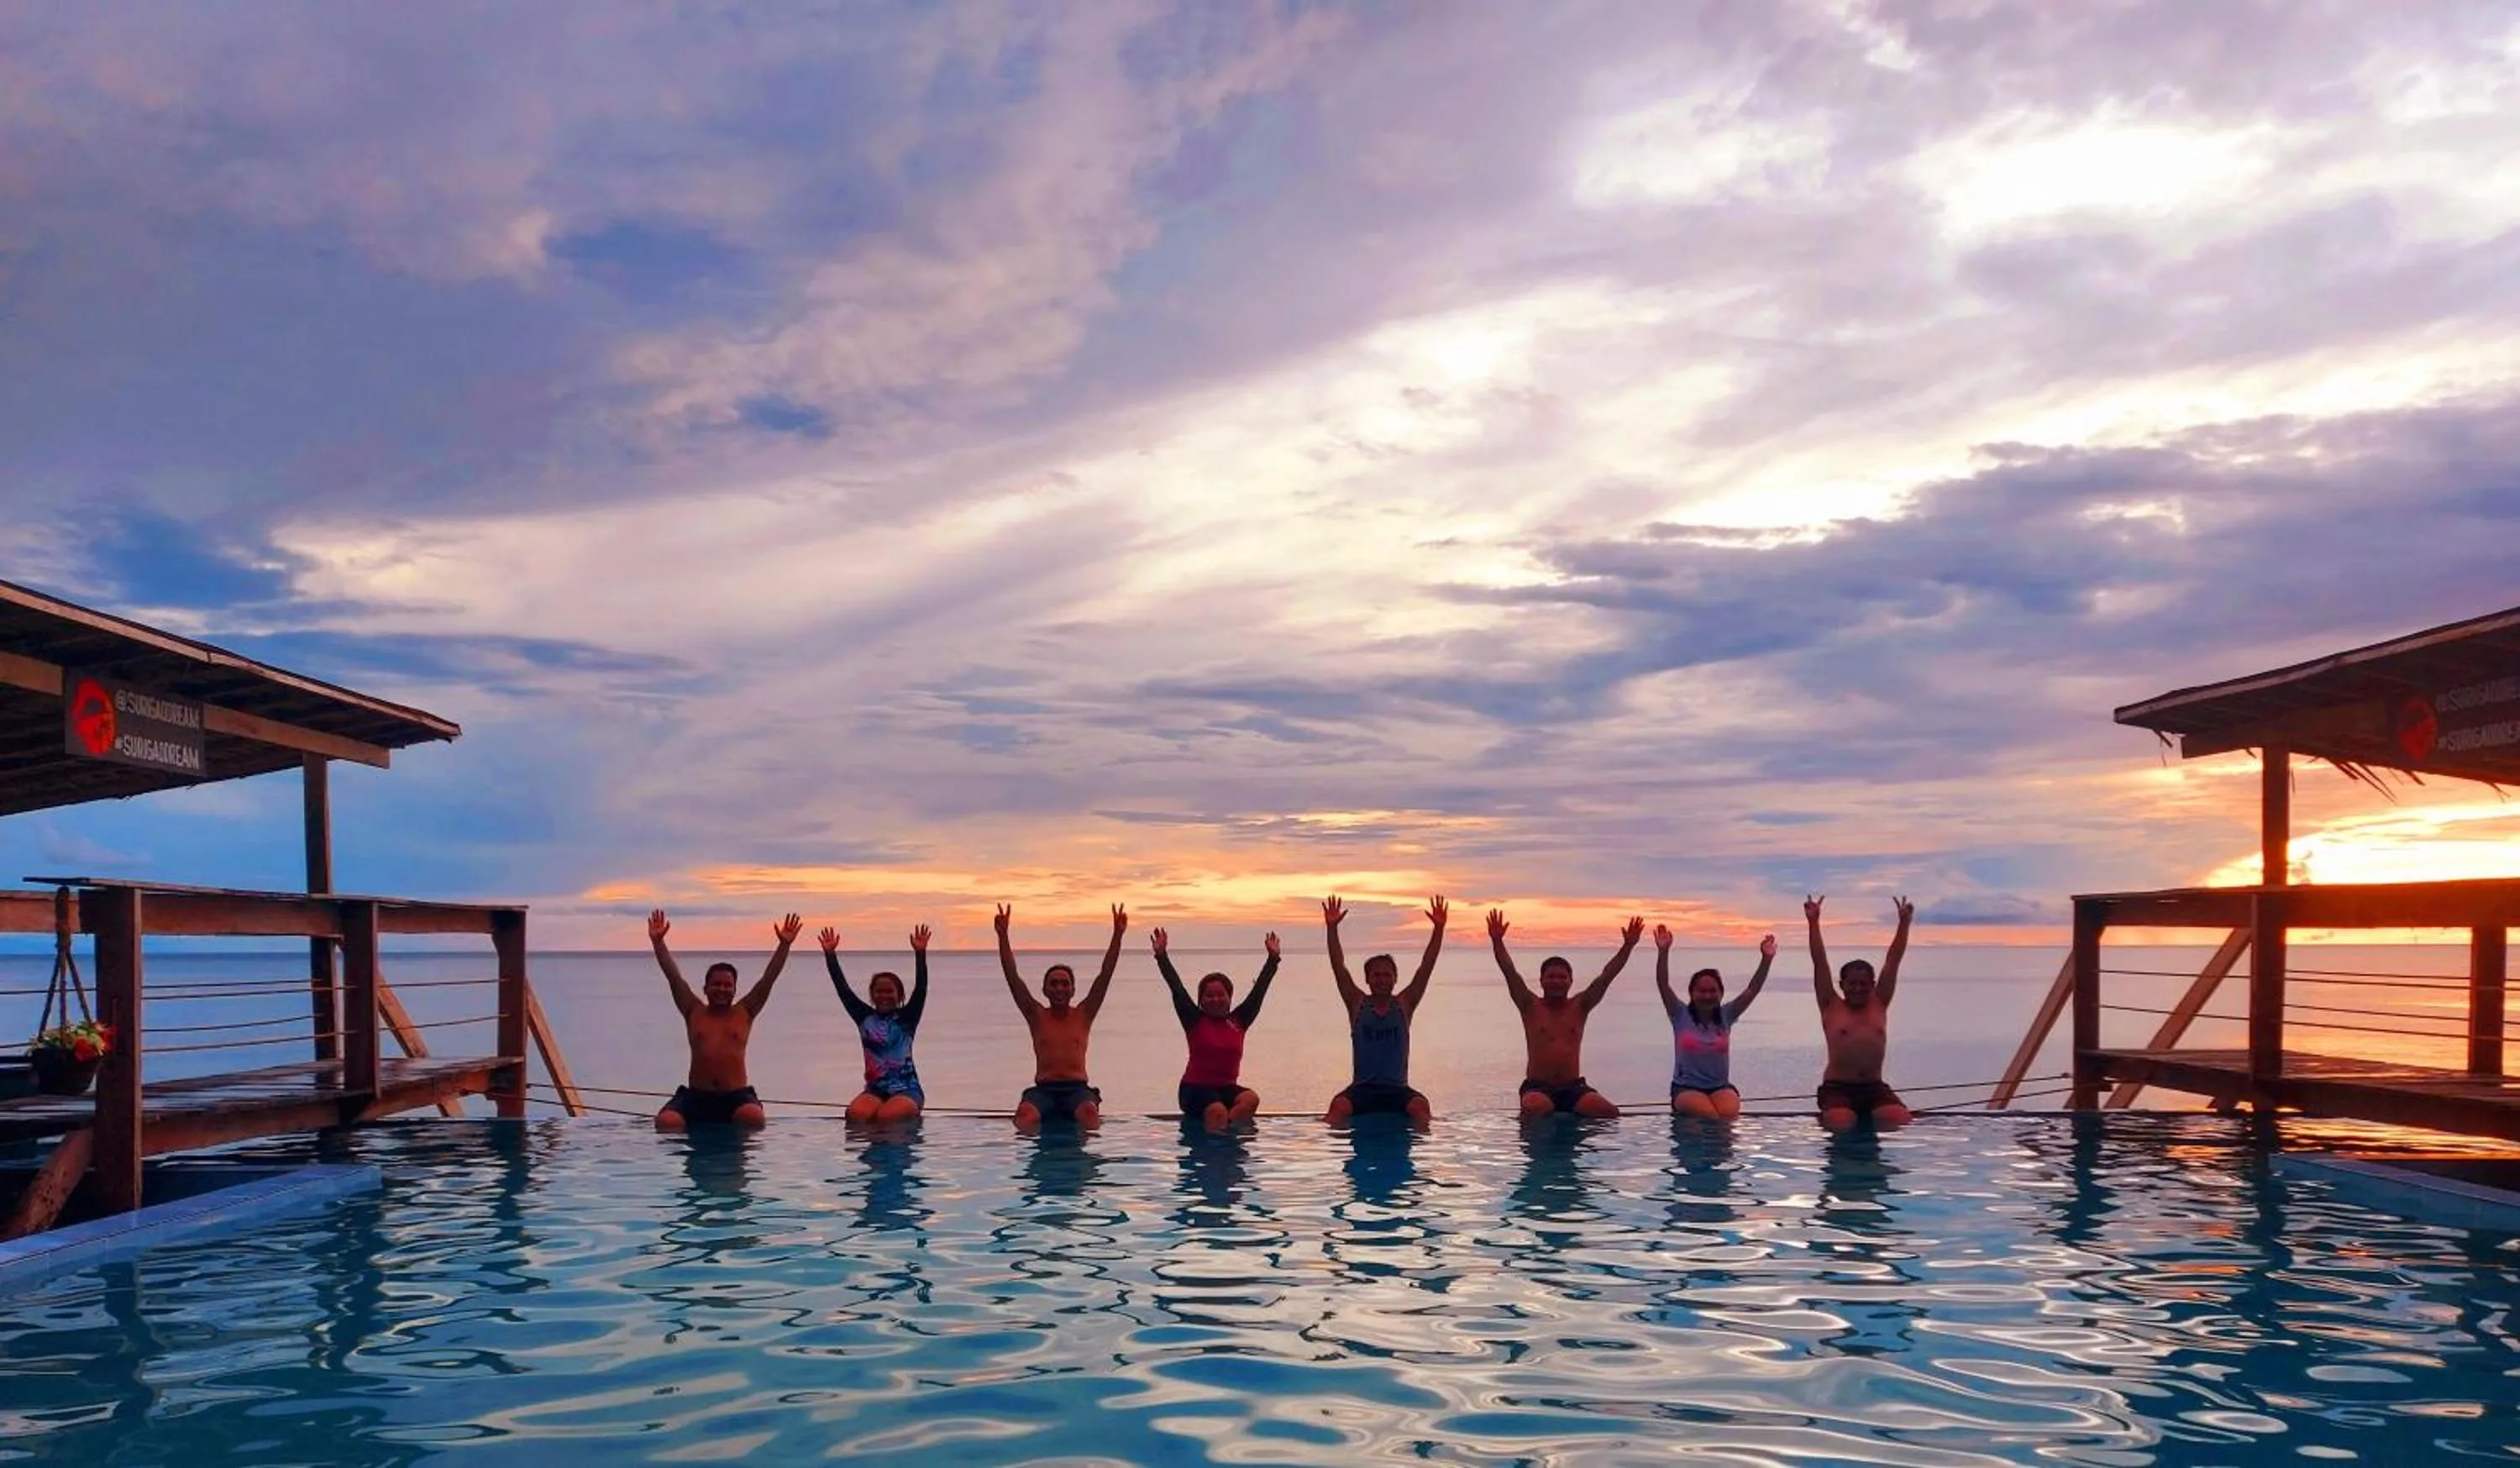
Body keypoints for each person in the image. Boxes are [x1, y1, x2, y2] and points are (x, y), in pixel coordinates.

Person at [648, 908, 799, 1130]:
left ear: (735, 989)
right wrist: (658, 943)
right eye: (716, 984)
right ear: (706, 988)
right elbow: (673, 977)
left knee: (753, 1118)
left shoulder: (745, 1011)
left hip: (735, 1097)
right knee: (666, 1123)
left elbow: (769, 979)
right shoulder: (693, 1010)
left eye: (727, 985)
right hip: (696, 1096)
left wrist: (784, 945)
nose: (722, 989)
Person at [1488, 907, 1642, 1118]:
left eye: (1562, 977)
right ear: (1541, 981)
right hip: (1538, 1088)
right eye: (1551, 977)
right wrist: (1497, 941)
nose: (1556, 981)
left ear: (1571, 981)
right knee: (1537, 1107)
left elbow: (1607, 976)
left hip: (1572, 1088)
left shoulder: (1581, 1005)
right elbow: (1509, 970)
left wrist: (1628, 946)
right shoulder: (1529, 1005)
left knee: (1609, 1113)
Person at [998, 901, 1126, 1129]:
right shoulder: (1036, 1015)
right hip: (1044, 1091)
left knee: (1089, 1114)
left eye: (1065, 984)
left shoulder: (1084, 1014)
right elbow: (1012, 977)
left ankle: (1081, 1163)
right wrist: (1002, 936)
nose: (1059, 988)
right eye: (1054, 984)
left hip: (1077, 1090)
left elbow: (1105, 975)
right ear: (1045, 990)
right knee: (1025, 1116)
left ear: (1073, 989)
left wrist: (1118, 934)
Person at [1322, 894, 1447, 1125]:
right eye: (1377, 975)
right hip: (1362, 1089)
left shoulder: (1404, 1004)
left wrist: (1439, 929)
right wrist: (1332, 928)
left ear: (1395, 979)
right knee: (1337, 1108)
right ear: (1368, 979)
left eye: (1387, 975)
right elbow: (1338, 966)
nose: (1382, 980)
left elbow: (1426, 966)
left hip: (1397, 1090)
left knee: (1421, 1108)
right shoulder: (1357, 1003)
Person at [1153, 925, 1281, 1130]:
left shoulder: (1239, 1020)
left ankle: (1224, 1137)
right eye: (1209, 996)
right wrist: (1161, 956)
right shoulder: (1193, 1018)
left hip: (1225, 1089)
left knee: (1250, 1099)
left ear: (1230, 997)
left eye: (1221, 995)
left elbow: (1259, 991)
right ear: (1201, 1001)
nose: (1215, 999)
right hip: (1194, 1089)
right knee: (1217, 1110)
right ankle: (1215, 1150)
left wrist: (1273, 959)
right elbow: (1176, 987)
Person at [1807, 894, 1915, 1130]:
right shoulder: (1830, 1005)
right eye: (1852, 984)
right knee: (1842, 1122)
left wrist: (1904, 924)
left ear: (1873, 985)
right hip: (1838, 1088)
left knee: (1900, 1119)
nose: (1858, 988)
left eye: (1864, 984)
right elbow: (1819, 961)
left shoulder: (1879, 1003)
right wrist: (1813, 923)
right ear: (1842, 985)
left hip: (1874, 1087)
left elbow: (1893, 960)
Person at [1657, 925, 1775, 1119]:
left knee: (1727, 1116)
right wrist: (1663, 952)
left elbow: (1752, 989)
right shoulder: (1679, 1014)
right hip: (1686, 1089)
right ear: (1691, 993)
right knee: (1710, 1117)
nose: (1707, 995)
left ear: (1721, 993)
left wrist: (1766, 959)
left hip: (1720, 1087)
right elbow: (1663, 984)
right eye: (1701, 991)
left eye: (1712, 991)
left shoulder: (1727, 1014)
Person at [821, 922, 931, 1122]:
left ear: (899, 995)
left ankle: (911, 1120)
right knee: (854, 1116)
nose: (884, 996)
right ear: (872, 994)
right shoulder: (863, 1017)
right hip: (875, 1091)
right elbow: (842, 989)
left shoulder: (908, 1018)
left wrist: (920, 954)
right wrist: (830, 955)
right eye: (879, 991)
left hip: (907, 1090)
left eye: (889, 991)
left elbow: (921, 988)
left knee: (886, 1117)